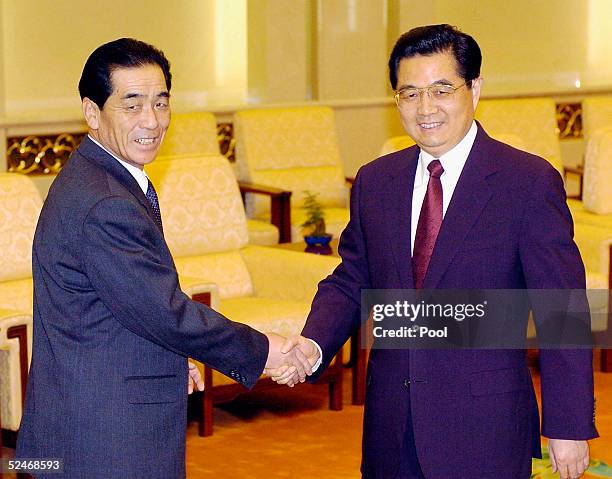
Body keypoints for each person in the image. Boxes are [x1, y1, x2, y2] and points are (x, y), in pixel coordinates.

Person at [275, 24, 597, 479]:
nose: (425, 108)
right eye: (409, 94)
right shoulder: (375, 182)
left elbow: (562, 310)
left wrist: (567, 425)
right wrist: (312, 343)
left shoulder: (525, 182)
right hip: (391, 423)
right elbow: (351, 279)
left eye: (442, 89)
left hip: (485, 427)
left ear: (475, 89)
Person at [16, 38, 311, 478]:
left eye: (161, 103)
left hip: (79, 421)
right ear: (92, 113)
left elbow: (118, 309)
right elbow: (165, 313)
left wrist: (171, 360)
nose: (151, 121)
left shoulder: (96, 177)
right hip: (105, 438)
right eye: (131, 104)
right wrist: (264, 349)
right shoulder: (104, 202)